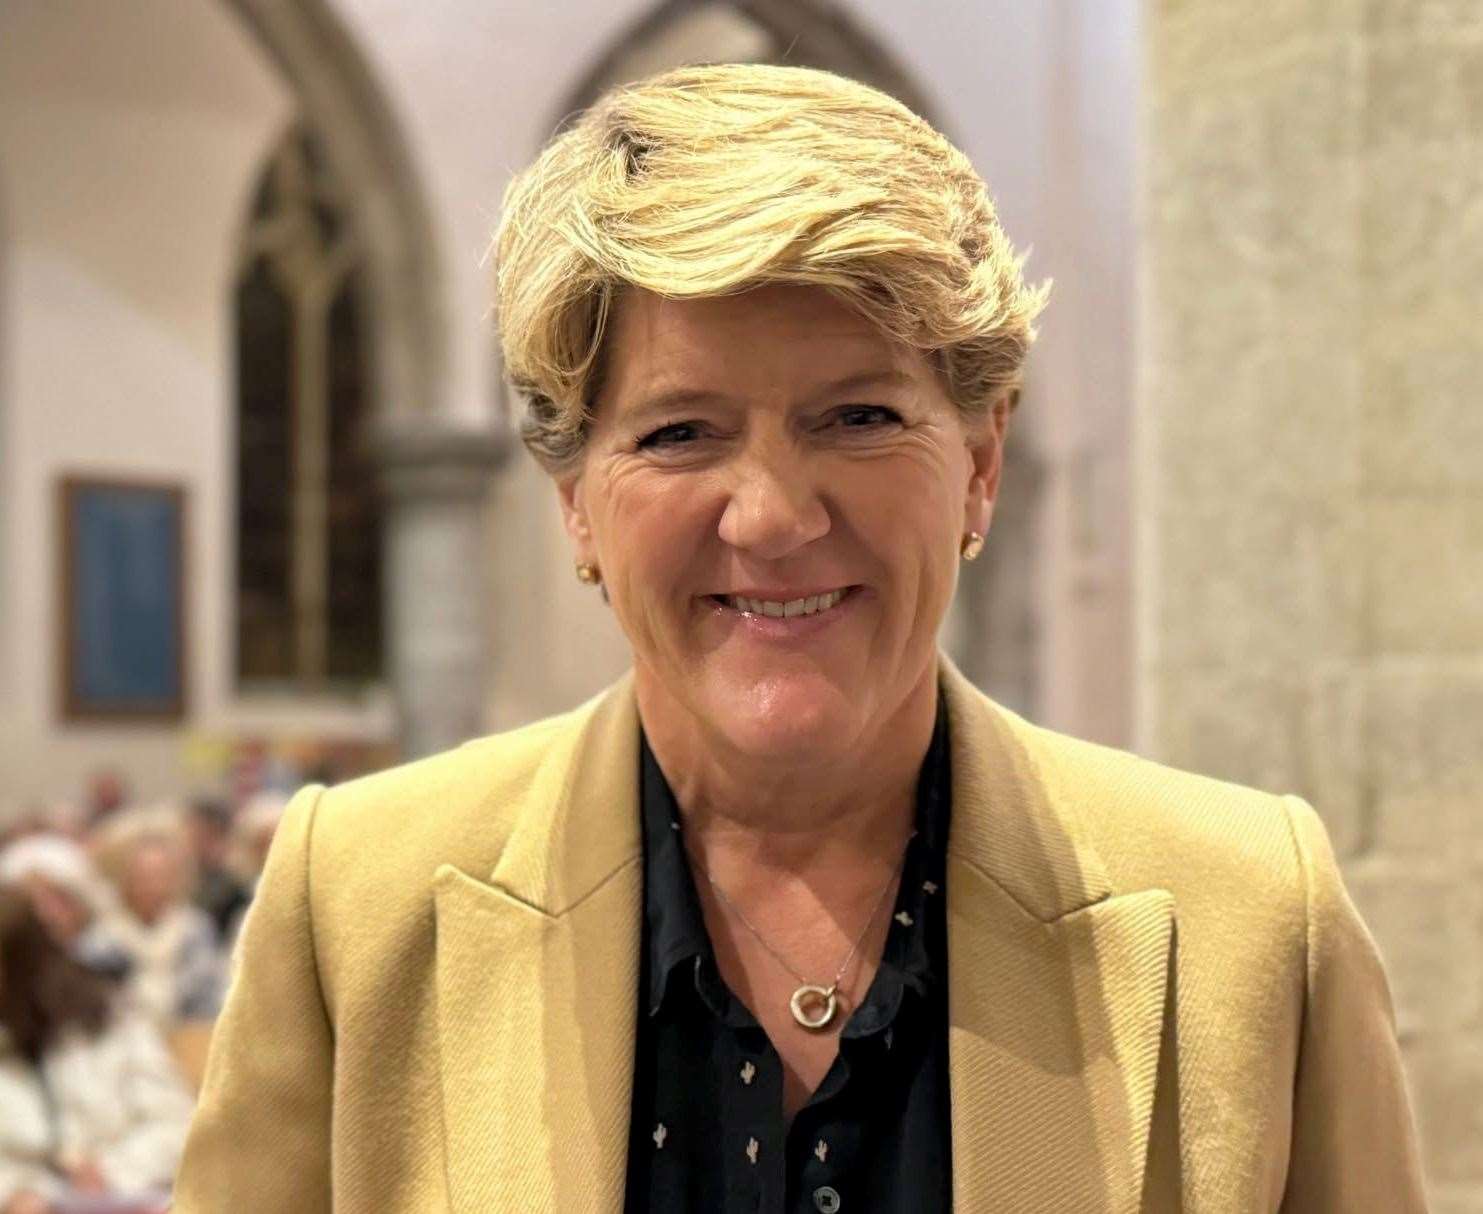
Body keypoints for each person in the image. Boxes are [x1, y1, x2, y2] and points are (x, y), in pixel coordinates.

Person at [174, 63, 1425, 1212]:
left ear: (981, 463)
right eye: (678, 432)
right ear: (575, 498)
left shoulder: (1250, 917)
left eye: (859, 416)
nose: (773, 516)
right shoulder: (358, 903)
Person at [0, 889, 190, 1214]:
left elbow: (177, 1122)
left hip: (129, 1196)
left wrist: (114, 1172)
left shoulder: (107, 1017)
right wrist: (16, 1192)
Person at [91, 812, 222, 1029]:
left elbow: (207, 1000)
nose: (153, 886)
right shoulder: (100, 940)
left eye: (161, 875)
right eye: (142, 877)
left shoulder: (195, 930)